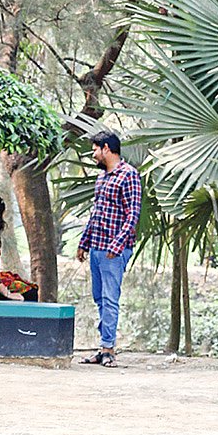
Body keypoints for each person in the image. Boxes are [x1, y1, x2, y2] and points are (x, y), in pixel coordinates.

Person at [75, 128, 142, 367]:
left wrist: (117, 244)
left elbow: (133, 214)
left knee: (110, 297)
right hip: (97, 247)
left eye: (95, 149)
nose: (92, 153)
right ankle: (103, 346)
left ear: (106, 149)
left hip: (114, 249)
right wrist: (84, 242)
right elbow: (96, 214)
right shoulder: (102, 177)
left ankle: (108, 349)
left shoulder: (128, 175)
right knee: (99, 298)